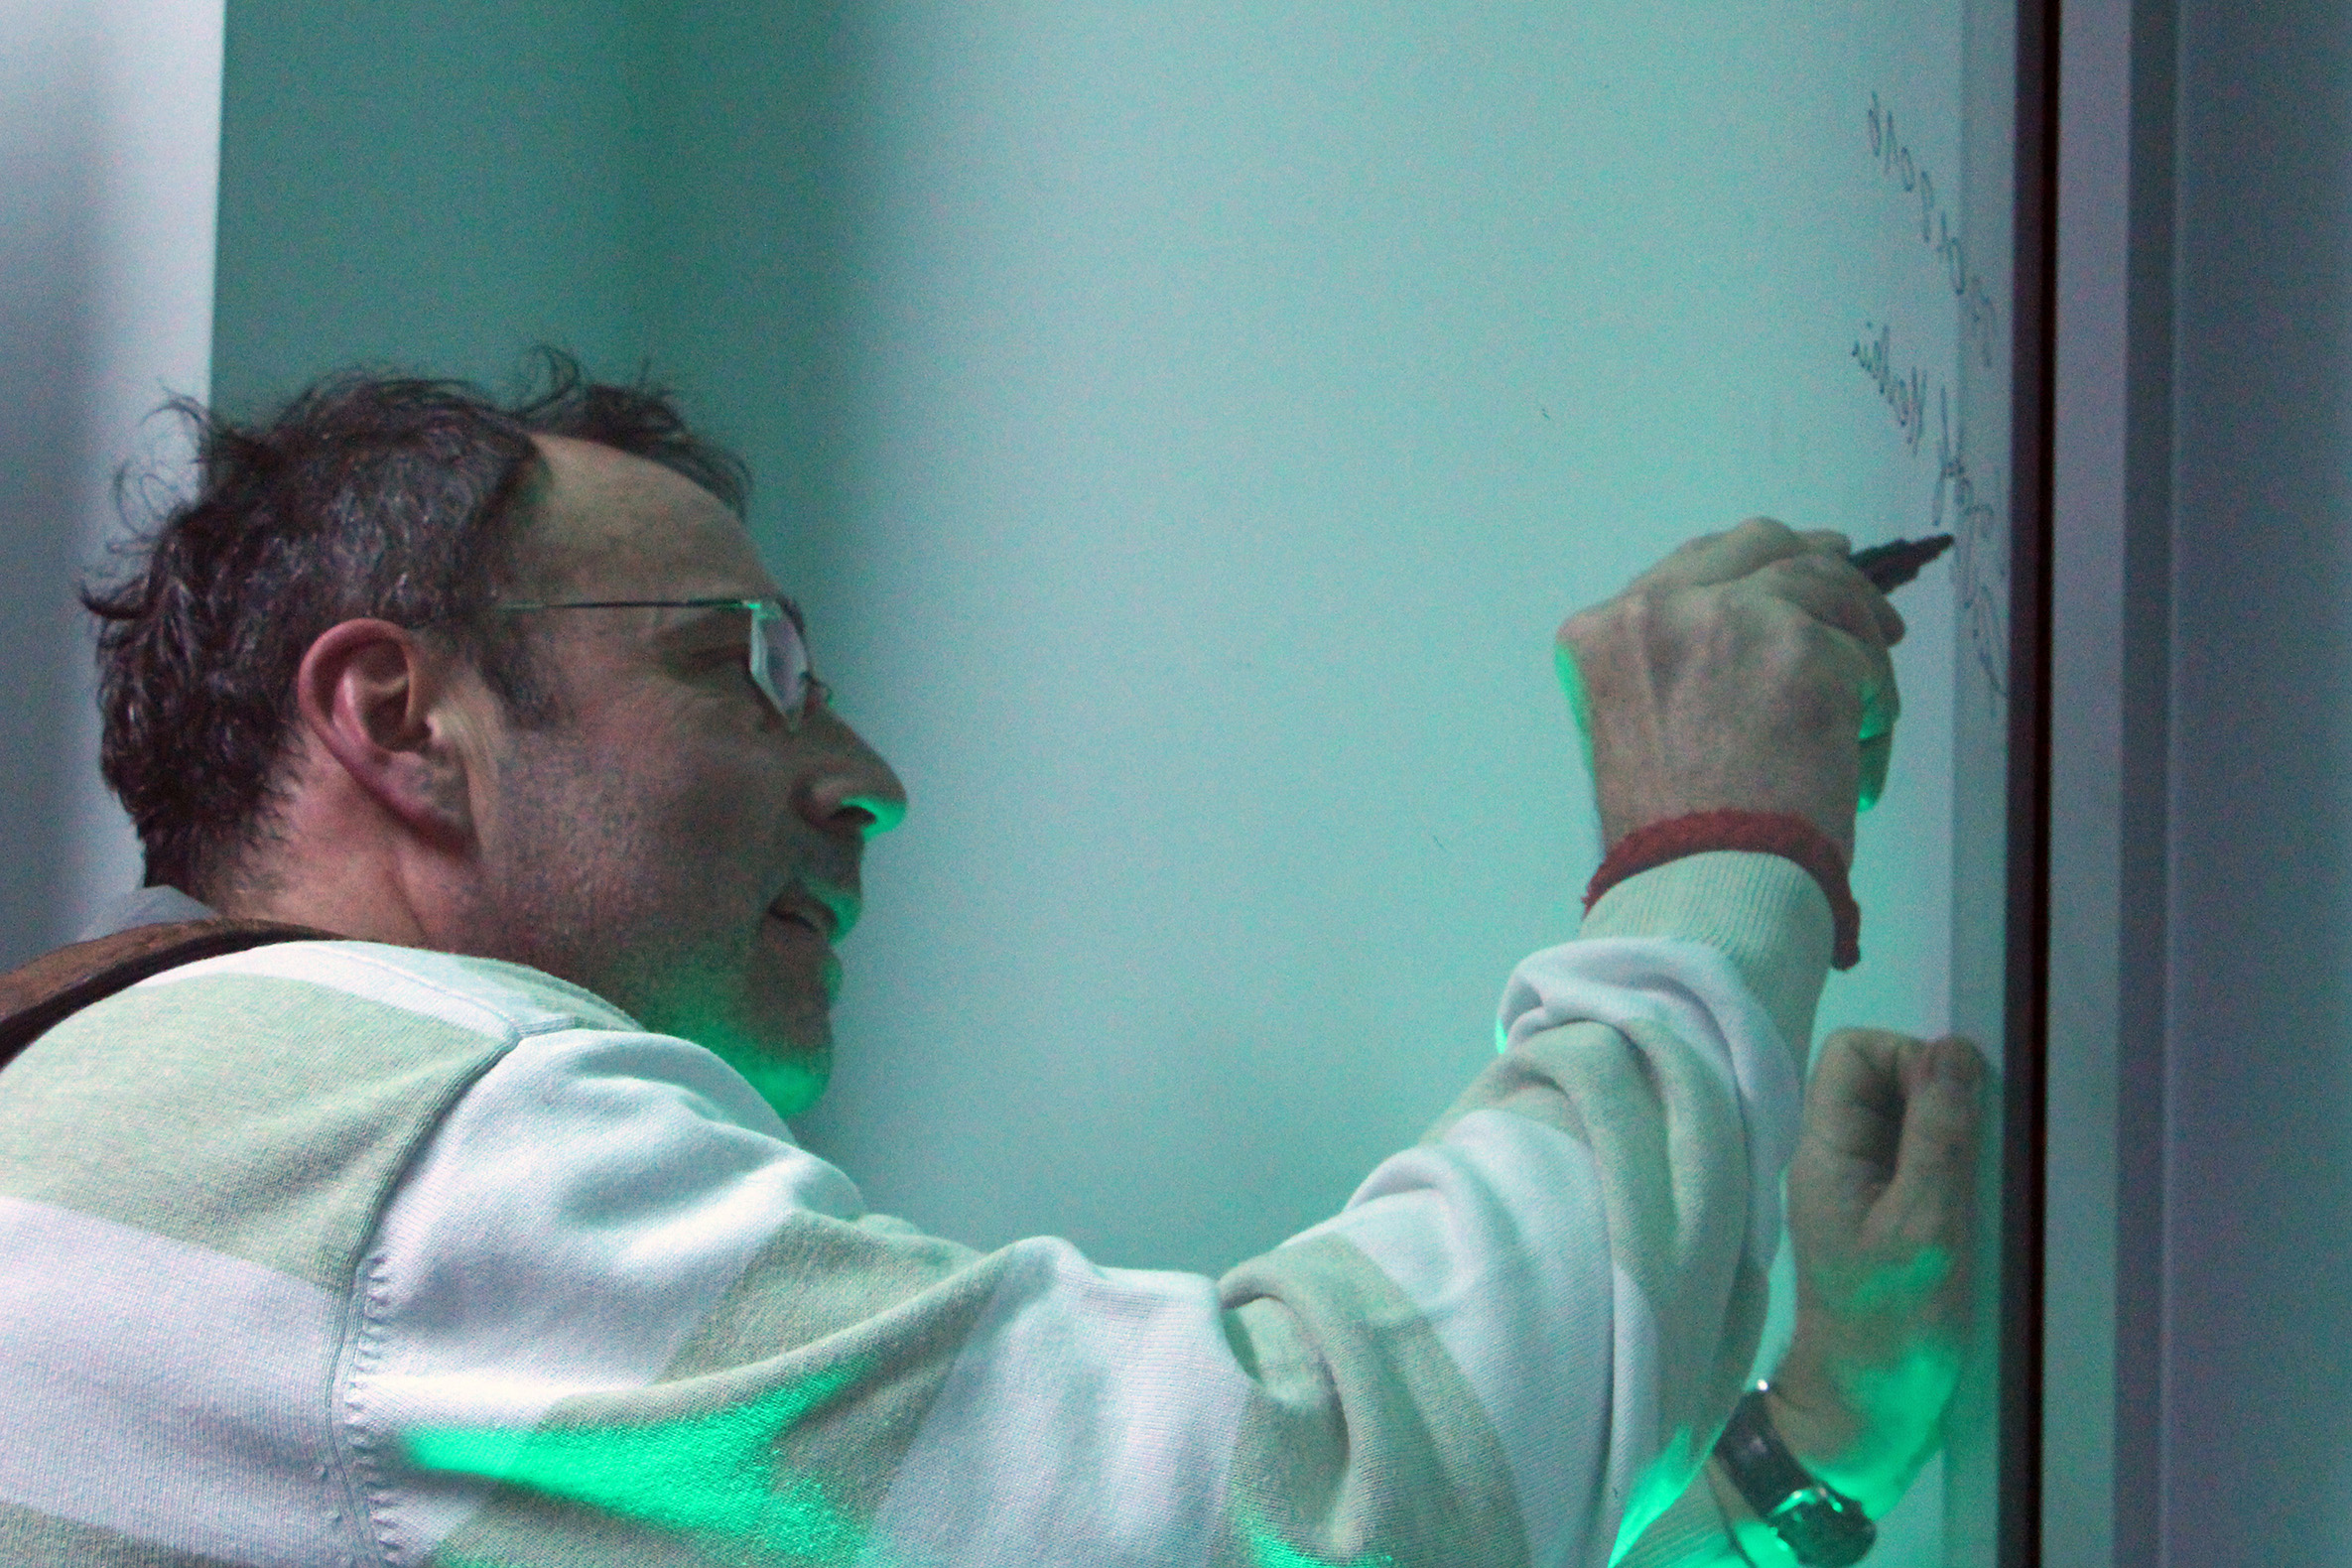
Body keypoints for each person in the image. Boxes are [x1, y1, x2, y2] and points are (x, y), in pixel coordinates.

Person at [0, 358, 1984, 1568]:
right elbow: (1348, 1505)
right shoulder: (405, 1155)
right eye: (744, 665)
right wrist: (1713, 859)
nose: (865, 781)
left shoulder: (157, 1154)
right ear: (401, 719)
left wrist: (1804, 1455)